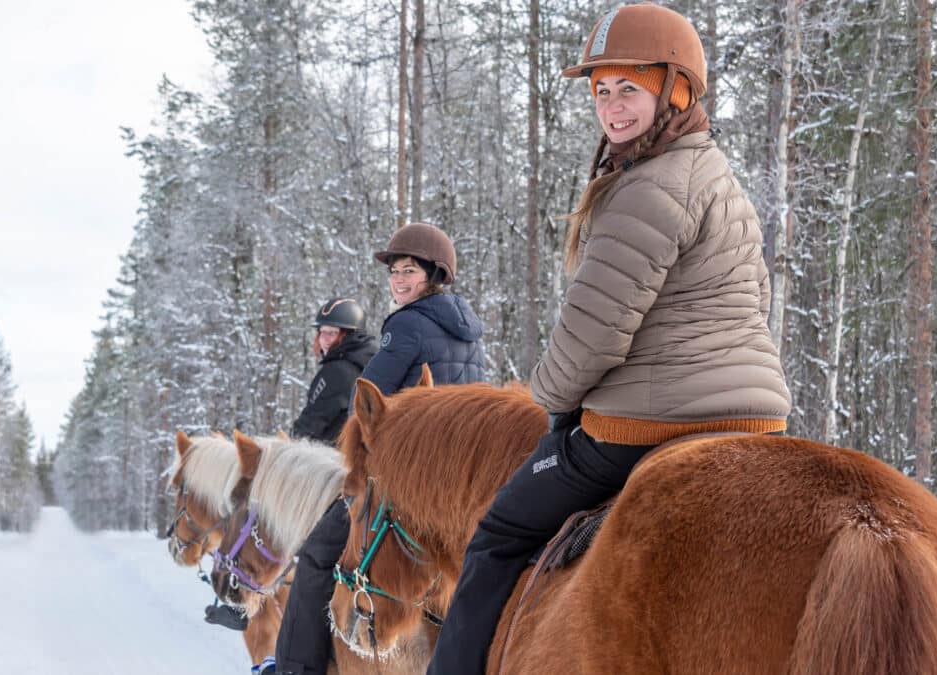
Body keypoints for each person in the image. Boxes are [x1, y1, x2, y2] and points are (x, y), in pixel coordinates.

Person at [426, 4, 792, 673]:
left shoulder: (649, 188)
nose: (613, 106)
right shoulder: (716, 177)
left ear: (674, 90)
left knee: (496, 536)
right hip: (756, 421)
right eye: (602, 91)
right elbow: (753, 303)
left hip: (646, 428)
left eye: (629, 87)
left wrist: (547, 398)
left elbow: (591, 338)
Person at [269, 222, 486, 675]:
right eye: (395, 272)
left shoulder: (405, 323)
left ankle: (294, 667)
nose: (399, 280)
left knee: (314, 558)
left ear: (435, 274)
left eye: (409, 270)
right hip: (454, 488)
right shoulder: (470, 330)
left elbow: (366, 403)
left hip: (401, 477)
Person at [291, 298, 378, 444]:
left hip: (334, 458)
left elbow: (310, 423)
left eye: (332, 333)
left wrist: (289, 446)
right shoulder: (373, 363)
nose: (324, 339)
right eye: (321, 332)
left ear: (349, 334)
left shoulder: (336, 372)